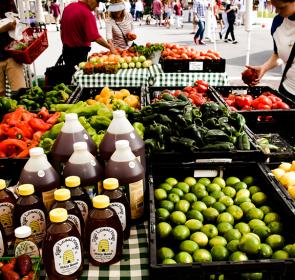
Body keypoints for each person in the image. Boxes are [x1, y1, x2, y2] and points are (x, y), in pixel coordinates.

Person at [246, 0, 295, 96]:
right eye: (274, 7)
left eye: (281, 7)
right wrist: (263, 68)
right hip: (287, 92)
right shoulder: (278, 23)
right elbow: (278, 55)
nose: (276, 11)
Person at [60, 0, 113, 83]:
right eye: (97, 2)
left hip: (66, 51)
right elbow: (95, 37)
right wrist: (110, 47)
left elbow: (62, 28)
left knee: (70, 76)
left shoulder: (68, 7)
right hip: (78, 54)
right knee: (79, 79)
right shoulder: (87, 13)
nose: (98, 5)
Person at [0, 0, 26, 96]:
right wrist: (4, 27)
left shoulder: (8, 1)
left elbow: (14, 22)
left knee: (20, 92)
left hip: (12, 53)